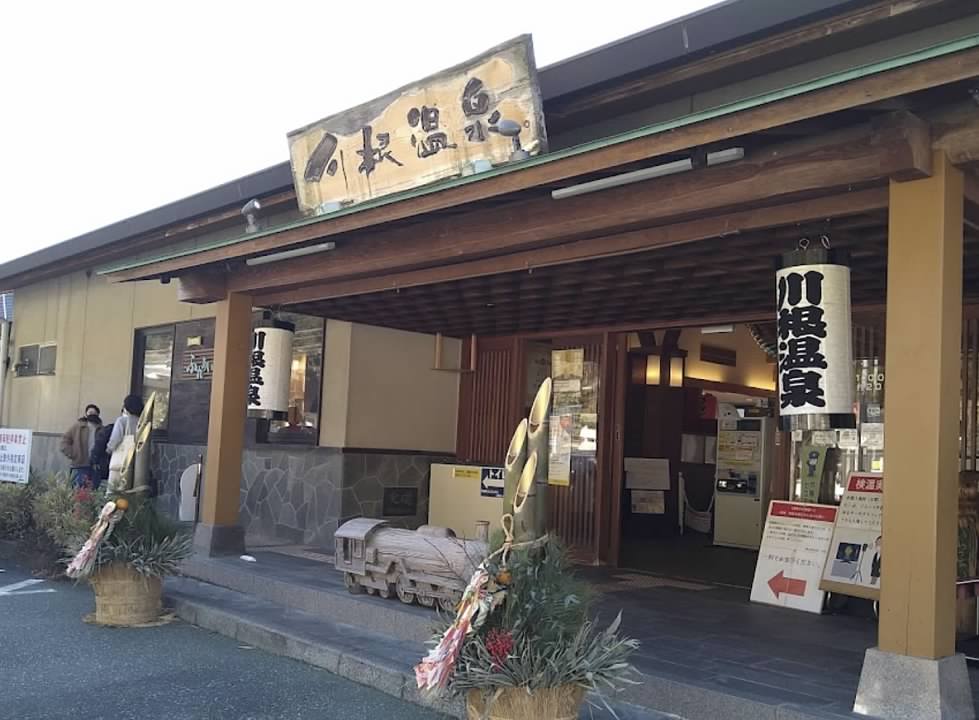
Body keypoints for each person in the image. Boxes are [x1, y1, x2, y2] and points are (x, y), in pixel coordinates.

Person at [60, 404, 102, 487]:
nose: (92, 414)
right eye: (90, 412)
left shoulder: (102, 429)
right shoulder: (77, 426)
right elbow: (64, 442)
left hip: (95, 466)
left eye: (94, 412)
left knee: (93, 492)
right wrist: (74, 454)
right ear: (86, 414)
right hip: (80, 465)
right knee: (78, 491)